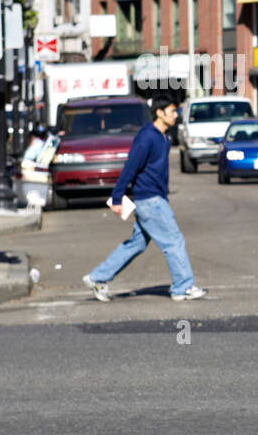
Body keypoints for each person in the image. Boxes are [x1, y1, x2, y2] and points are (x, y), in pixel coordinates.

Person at [82, 97, 207, 302]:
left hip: (153, 199)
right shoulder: (147, 137)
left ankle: (97, 278)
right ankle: (182, 287)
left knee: (136, 244)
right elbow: (131, 166)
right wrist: (116, 196)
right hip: (150, 201)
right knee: (174, 241)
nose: (175, 115)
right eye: (172, 111)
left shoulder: (163, 138)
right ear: (159, 113)